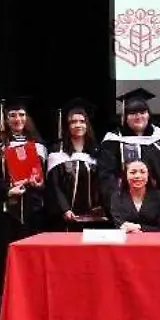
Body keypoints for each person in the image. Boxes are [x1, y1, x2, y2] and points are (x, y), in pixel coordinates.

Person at [0, 96, 49, 289]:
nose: (17, 119)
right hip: (7, 208)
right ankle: (9, 289)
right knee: (5, 248)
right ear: (5, 119)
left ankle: (32, 287)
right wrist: (8, 191)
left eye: (21, 114)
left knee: (32, 249)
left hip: (33, 207)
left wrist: (39, 184)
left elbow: (47, 177)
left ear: (27, 118)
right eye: (12, 115)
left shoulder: (39, 146)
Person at [97, 88, 160, 204]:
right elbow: (107, 178)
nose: (138, 117)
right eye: (133, 113)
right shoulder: (113, 141)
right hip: (125, 205)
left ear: (148, 115)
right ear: (125, 116)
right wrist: (117, 203)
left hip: (158, 205)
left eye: (142, 112)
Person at [45, 98, 105, 230]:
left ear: (87, 125)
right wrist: (64, 209)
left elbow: (102, 182)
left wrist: (100, 206)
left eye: (82, 121)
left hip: (92, 216)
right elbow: (54, 185)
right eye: (73, 122)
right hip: (65, 217)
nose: (78, 125)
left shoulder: (96, 151)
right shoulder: (57, 151)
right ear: (67, 125)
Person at [109, 160, 160, 232]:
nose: (138, 176)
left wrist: (139, 227)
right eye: (133, 172)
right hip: (126, 237)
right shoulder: (117, 197)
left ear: (148, 174)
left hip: (153, 238)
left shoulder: (159, 196)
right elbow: (119, 224)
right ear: (125, 175)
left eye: (142, 172)